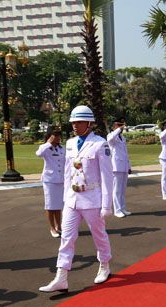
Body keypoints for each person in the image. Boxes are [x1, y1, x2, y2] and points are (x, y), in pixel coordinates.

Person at [40, 105, 113, 292]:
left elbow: (107, 176)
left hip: (92, 198)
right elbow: (67, 172)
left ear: (89, 123)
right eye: (73, 122)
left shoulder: (100, 144)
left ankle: (104, 264)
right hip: (72, 198)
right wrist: (66, 197)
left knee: (99, 235)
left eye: (79, 122)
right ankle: (61, 276)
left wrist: (107, 205)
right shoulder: (71, 143)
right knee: (67, 238)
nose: (74, 125)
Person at [36, 126, 64, 237]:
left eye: (59, 135)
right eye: (56, 135)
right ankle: (52, 228)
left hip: (60, 180)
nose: (58, 138)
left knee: (58, 205)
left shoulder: (62, 149)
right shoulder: (45, 148)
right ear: (50, 136)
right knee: (50, 205)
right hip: (50, 181)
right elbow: (38, 153)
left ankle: (59, 226)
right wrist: (49, 143)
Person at [107, 117, 132, 218]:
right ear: (114, 126)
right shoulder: (111, 136)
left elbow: (126, 153)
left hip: (124, 166)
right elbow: (110, 139)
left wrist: (129, 166)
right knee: (116, 190)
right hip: (116, 166)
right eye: (119, 125)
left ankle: (122, 208)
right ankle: (117, 210)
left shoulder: (123, 138)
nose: (121, 127)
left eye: (122, 125)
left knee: (122, 189)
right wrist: (118, 129)